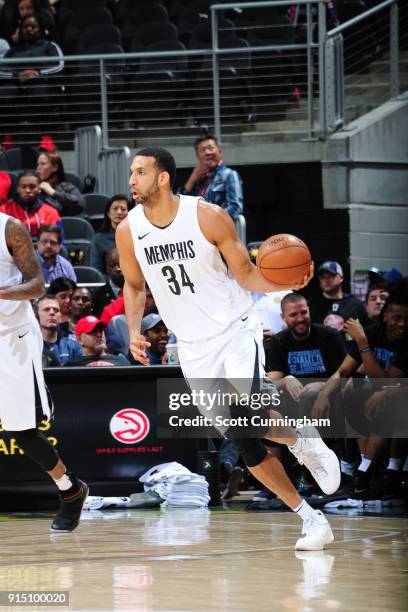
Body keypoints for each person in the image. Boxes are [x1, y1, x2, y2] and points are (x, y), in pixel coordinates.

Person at [116, 146, 341, 551]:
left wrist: (286, 284)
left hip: (234, 329)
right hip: (192, 345)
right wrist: (133, 330)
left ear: (163, 177)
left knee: (248, 403)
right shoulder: (129, 229)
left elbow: (248, 276)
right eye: (131, 172)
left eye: (140, 172)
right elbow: (134, 285)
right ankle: (311, 515)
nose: (132, 180)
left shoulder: (207, 216)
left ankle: (305, 442)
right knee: (242, 434)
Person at [0, 210, 87, 531]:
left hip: (11, 337)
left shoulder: (10, 228)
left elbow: (37, 286)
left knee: (21, 432)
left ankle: (70, 491)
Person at [179, 135, 243, 221]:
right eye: (203, 150)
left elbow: (235, 207)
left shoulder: (229, 175)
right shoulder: (197, 180)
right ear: (197, 156)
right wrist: (192, 179)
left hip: (218, 229)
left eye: (211, 148)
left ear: (219, 151)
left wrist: (210, 221)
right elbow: (178, 207)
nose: (207, 152)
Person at [309, 261, 370, 333]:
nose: (326, 280)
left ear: (341, 278)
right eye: (322, 277)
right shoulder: (312, 304)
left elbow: (367, 331)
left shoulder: (356, 304)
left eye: (331, 276)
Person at [0, 171, 61, 240]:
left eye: (32, 187)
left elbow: (59, 242)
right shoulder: (3, 211)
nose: (28, 190)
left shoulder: (51, 212)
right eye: (23, 187)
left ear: (39, 189)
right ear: (17, 189)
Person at [89, 194, 131, 276]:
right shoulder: (98, 239)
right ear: (108, 213)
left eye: (123, 209)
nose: (119, 212)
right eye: (115, 209)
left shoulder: (138, 236)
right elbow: (97, 272)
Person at [64, 315, 130, 367]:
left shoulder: (123, 362)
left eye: (101, 330)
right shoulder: (71, 366)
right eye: (92, 331)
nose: (99, 334)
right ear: (80, 340)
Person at [36, 294, 82, 365]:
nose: (52, 312)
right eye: (46, 309)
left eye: (56, 310)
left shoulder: (74, 345)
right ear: (36, 315)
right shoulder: (30, 344)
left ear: (60, 316)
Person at [36, 152, 85, 216]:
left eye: (43, 164)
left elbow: (80, 204)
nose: (38, 168)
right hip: (39, 223)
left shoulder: (65, 186)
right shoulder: (34, 188)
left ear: (55, 167)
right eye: (38, 164)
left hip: (60, 223)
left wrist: (53, 192)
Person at [93, 247, 124, 317]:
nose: (117, 269)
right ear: (107, 268)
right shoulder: (99, 295)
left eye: (121, 264)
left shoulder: (137, 291)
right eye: (113, 265)